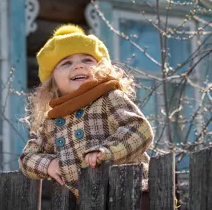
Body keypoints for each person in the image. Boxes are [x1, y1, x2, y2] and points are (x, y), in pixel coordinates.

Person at [19, 24, 154, 198]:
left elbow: (139, 129)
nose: (78, 66)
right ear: (53, 82)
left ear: (102, 68)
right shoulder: (53, 120)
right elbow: (27, 158)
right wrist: (49, 164)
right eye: (67, 63)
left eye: (87, 60)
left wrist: (106, 152)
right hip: (83, 201)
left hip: (130, 191)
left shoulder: (108, 97)